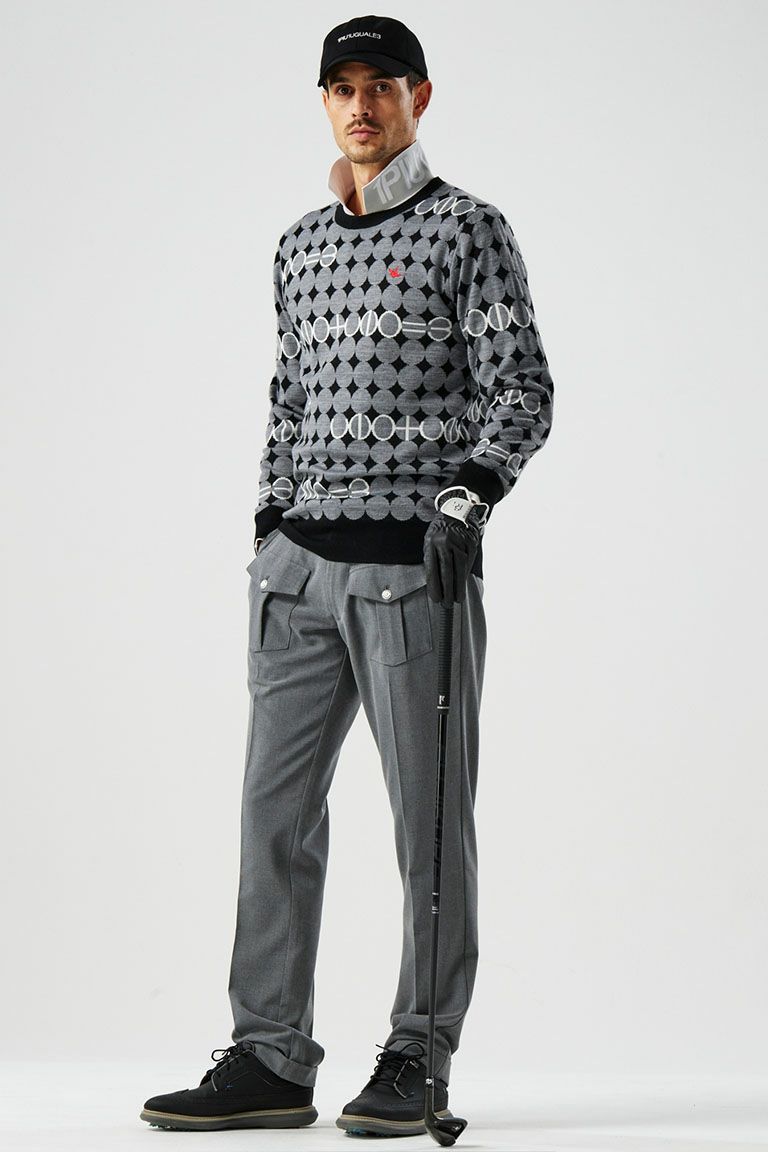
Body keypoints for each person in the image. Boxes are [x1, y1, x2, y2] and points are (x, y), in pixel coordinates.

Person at [140, 12, 554, 1137]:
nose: (362, 105)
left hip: (411, 578)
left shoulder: (469, 228)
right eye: (343, 87)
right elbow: (288, 398)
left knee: (428, 826)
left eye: (383, 84)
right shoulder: (299, 247)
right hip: (297, 581)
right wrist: (269, 527)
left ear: (421, 97)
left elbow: (521, 386)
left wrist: (469, 495)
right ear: (325, 102)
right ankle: (270, 1055)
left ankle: (420, 1052)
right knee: (271, 818)